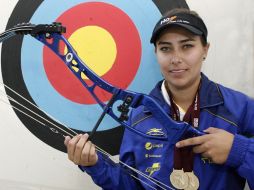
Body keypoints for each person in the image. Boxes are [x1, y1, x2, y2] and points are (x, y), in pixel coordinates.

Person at [64, 8, 254, 190]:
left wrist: (239, 150)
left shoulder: (240, 108)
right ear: (156, 53)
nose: (176, 58)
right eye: (165, 48)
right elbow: (131, 185)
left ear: (205, 49)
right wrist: (96, 165)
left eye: (187, 46)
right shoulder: (140, 116)